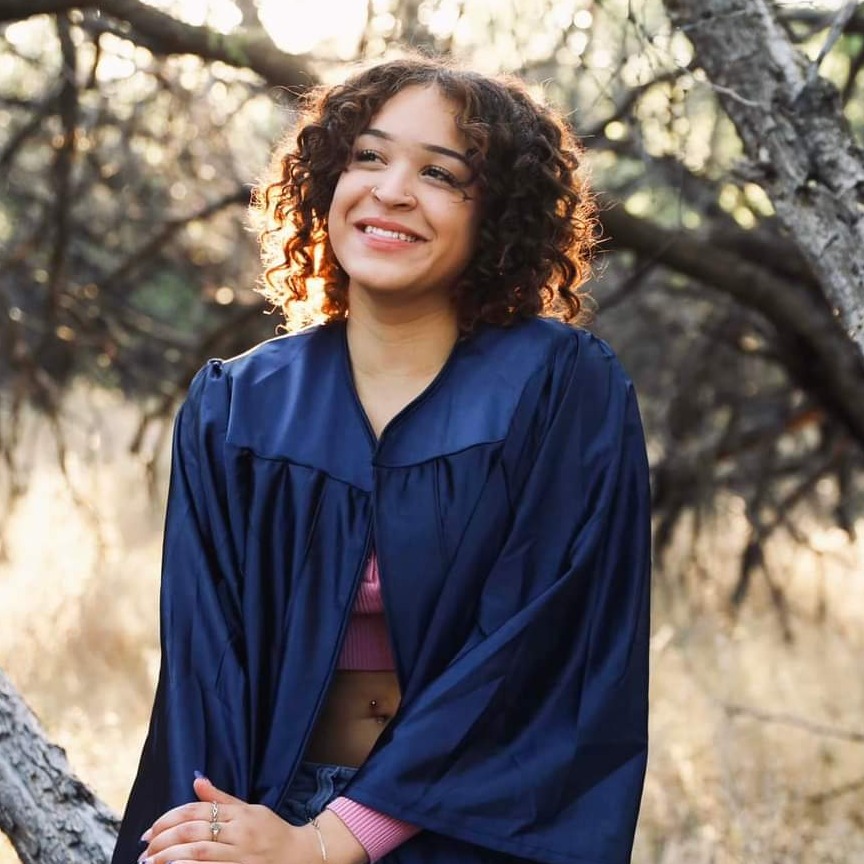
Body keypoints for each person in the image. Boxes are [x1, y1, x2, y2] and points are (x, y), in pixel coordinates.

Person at [116, 56, 651, 864]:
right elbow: (205, 667)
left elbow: (529, 652)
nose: (391, 190)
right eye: (368, 156)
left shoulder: (560, 389)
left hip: (471, 830)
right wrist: (222, 833)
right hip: (270, 811)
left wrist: (336, 840)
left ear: (497, 216)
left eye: (441, 173)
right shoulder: (238, 406)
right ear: (328, 180)